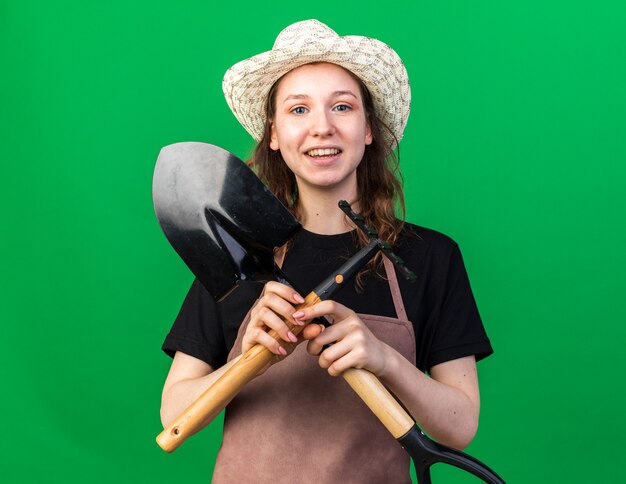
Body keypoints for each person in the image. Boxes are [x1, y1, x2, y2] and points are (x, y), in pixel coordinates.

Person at [160, 19, 493, 483]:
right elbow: (173, 416)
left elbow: (459, 427)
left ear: (369, 129)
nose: (322, 128)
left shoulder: (430, 256)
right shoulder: (239, 253)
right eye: (299, 110)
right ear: (273, 134)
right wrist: (247, 360)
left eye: (342, 106)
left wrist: (383, 359)